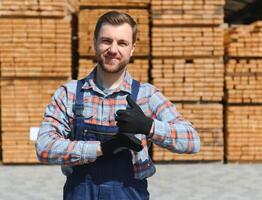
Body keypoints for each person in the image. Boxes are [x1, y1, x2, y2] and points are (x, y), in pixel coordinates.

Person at [35, 11, 200, 200]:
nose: (113, 49)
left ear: (132, 49)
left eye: (122, 43)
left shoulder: (147, 96)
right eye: (106, 41)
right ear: (95, 42)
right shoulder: (69, 94)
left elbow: (192, 141)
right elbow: (44, 147)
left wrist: (150, 127)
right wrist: (102, 148)